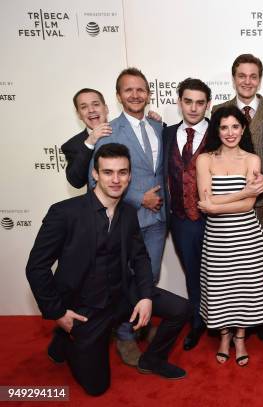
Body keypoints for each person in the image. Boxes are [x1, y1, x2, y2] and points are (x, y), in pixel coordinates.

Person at [26, 143, 189, 396]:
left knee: (181, 309)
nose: (116, 179)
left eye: (122, 172)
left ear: (130, 175)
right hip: (87, 306)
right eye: (108, 172)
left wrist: (145, 297)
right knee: (97, 387)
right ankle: (65, 342)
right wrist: (57, 312)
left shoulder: (128, 212)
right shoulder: (64, 213)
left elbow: (140, 258)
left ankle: (152, 359)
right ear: (95, 174)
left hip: (122, 293)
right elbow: (36, 267)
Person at [89, 68, 166, 366]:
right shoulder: (109, 131)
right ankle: (123, 334)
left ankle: (140, 324)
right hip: (123, 220)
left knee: (150, 277)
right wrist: (137, 198)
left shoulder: (159, 126)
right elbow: (95, 180)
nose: (135, 95)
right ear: (118, 95)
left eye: (141, 89)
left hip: (159, 220)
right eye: (128, 90)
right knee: (123, 281)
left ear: (148, 93)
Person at [196, 105, 263, 366]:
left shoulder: (251, 160)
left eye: (235, 126)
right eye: (224, 127)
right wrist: (243, 192)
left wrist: (221, 204)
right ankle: (224, 337)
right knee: (221, 288)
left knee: (244, 288)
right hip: (218, 238)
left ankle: (241, 338)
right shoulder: (205, 159)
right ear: (217, 130)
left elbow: (246, 207)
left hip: (246, 236)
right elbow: (205, 201)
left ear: (243, 129)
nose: (230, 132)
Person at [212, 54, 263, 341]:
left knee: (260, 267)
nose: (247, 81)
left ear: (259, 79)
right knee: (231, 270)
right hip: (226, 206)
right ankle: (232, 322)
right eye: (242, 75)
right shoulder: (219, 109)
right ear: (234, 77)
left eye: (253, 76)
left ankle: (260, 320)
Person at [162, 78, 211, 351]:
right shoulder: (166, 133)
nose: (193, 108)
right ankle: (196, 321)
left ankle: (223, 324)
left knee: (218, 274)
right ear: (179, 102)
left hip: (216, 219)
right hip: (181, 220)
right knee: (192, 274)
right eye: (188, 101)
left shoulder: (220, 130)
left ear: (208, 104)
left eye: (200, 102)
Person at [62, 88, 161, 189]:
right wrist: (90, 143)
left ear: (106, 108)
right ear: (78, 114)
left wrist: (155, 124)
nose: (91, 110)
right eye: (84, 107)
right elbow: (76, 182)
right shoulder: (73, 145)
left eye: (96, 104)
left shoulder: (129, 128)